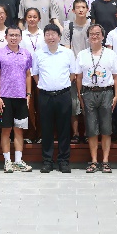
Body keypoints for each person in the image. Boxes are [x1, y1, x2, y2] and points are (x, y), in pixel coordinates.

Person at [32, 23, 80, 173]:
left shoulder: (67, 53)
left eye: (53, 34)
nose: (50, 37)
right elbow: (35, 74)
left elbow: (73, 74)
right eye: (47, 34)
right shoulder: (38, 54)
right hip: (45, 96)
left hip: (63, 95)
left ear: (59, 37)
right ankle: (47, 161)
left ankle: (63, 161)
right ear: (44, 37)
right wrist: (43, 85)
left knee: (64, 129)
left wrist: (62, 85)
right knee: (46, 129)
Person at [76, 24, 117, 173]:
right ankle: (94, 161)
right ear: (88, 37)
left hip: (106, 92)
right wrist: (80, 95)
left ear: (102, 36)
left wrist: (116, 95)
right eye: (91, 34)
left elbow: (116, 76)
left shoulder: (110, 54)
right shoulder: (82, 54)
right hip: (88, 93)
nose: (94, 36)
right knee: (91, 128)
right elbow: (79, 77)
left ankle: (105, 161)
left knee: (106, 128)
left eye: (97, 34)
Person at [0, 25, 33, 173]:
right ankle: (7, 161)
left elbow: (28, 75)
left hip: (21, 98)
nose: (14, 38)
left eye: (16, 35)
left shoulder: (26, 54)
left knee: (19, 130)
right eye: (11, 35)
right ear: (6, 37)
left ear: (21, 37)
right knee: (6, 130)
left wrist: (28, 95)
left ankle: (18, 161)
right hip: (5, 97)